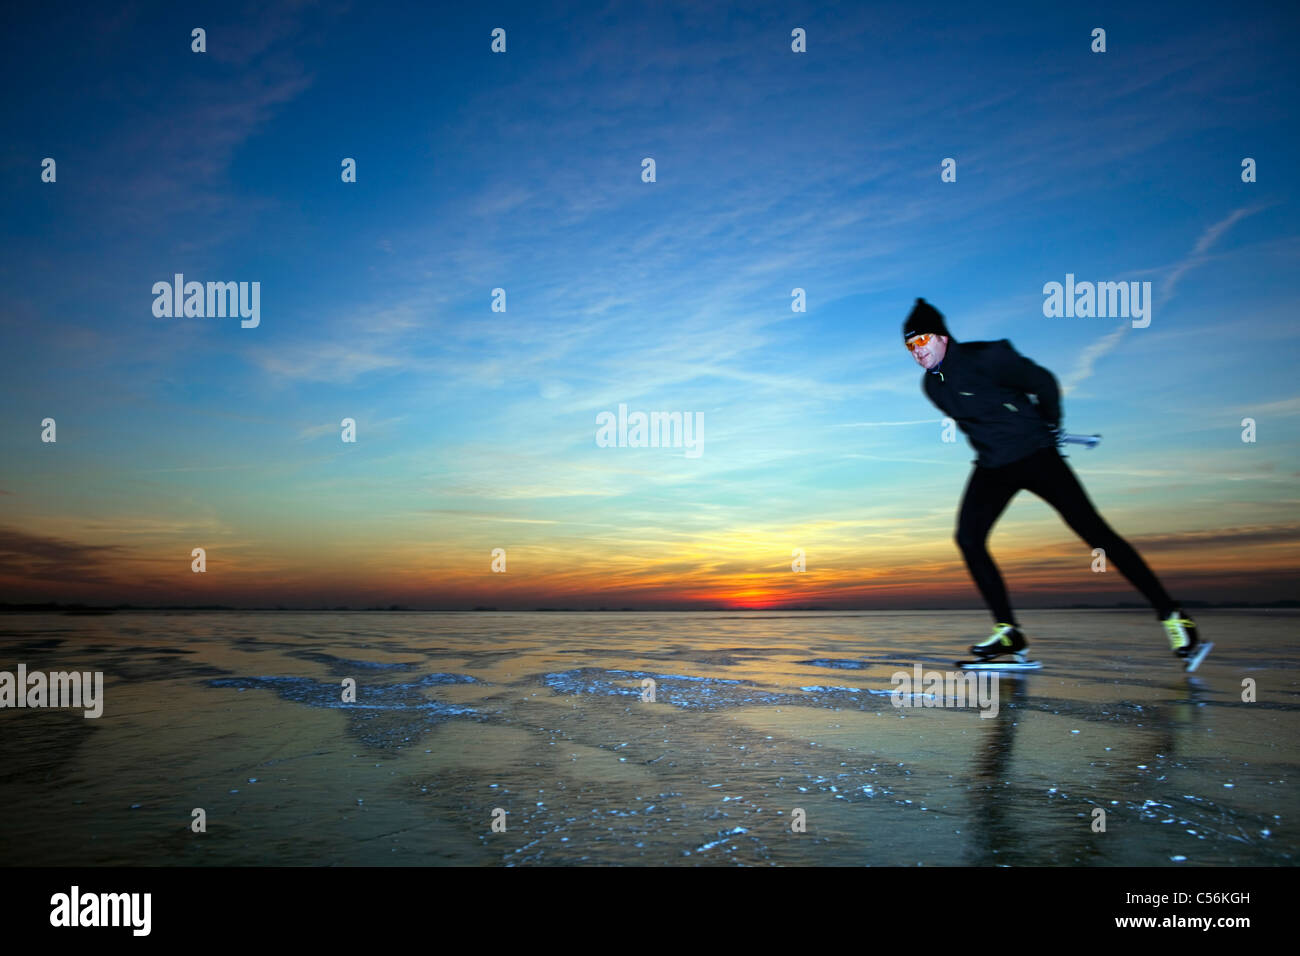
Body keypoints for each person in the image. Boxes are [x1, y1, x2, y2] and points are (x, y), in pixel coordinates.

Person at [902, 297, 1210, 672]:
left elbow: (1043, 382)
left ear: (943, 338)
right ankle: (1008, 632)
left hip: (1037, 456)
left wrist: (1049, 421)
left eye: (922, 342)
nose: (916, 352)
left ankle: (1174, 617)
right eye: (910, 346)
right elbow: (981, 423)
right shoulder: (932, 387)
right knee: (968, 538)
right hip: (993, 467)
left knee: (1096, 533)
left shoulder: (989, 358)